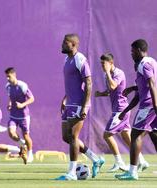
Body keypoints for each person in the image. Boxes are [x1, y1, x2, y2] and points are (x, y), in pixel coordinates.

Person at [56, 34, 104, 181]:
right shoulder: (67, 59)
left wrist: (84, 107)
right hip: (70, 102)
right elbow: (72, 83)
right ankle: (95, 159)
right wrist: (65, 98)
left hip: (79, 103)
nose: (63, 45)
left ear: (73, 44)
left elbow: (88, 83)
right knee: (66, 137)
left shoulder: (80, 59)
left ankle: (71, 173)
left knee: (74, 137)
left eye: (65, 43)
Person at [95, 53, 148, 172]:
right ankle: (142, 161)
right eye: (101, 64)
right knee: (127, 138)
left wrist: (108, 72)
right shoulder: (106, 75)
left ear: (111, 63)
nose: (102, 66)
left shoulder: (119, 73)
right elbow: (110, 91)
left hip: (121, 110)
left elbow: (113, 86)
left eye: (104, 63)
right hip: (118, 109)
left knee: (107, 135)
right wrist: (101, 94)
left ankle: (119, 162)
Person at [115, 39, 157, 180]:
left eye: (132, 51)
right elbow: (141, 91)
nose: (131, 54)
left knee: (135, 136)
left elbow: (152, 85)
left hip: (149, 105)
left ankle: (132, 172)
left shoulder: (143, 64)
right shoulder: (151, 62)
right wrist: (126, 110)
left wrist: (155, 107)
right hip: (151, 104)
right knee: (154, 136)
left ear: (139, 50)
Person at [5, 67, 35, 163]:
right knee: (11, 133)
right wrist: (10, 103)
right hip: (13, 115)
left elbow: (32, 99)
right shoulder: (7, 86)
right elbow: (10, 97)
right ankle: (23, 145)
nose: (7, 79)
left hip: (24, 116)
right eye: (6, 77)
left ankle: (30, 154)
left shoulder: (22, 86)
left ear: (14, 75)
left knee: (26, 136)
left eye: (9, 76)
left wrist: (22, 104)